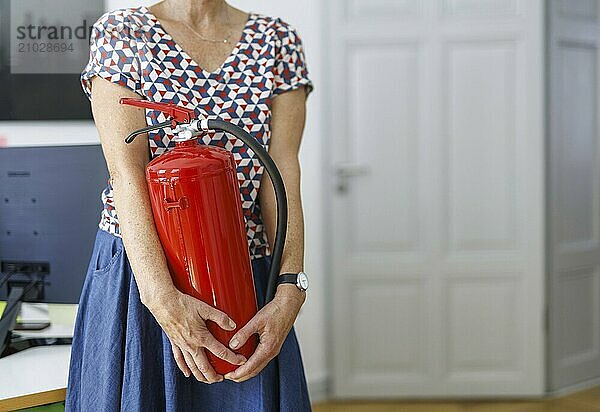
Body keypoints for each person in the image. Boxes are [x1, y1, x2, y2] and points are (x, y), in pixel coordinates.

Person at [65, 0, 313, 410]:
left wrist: (291, 285)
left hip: (245, 273)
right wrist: (160, 298)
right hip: (142, 274)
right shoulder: (123, 32)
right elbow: (127, 174)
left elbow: (282, 170)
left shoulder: (277, 41)